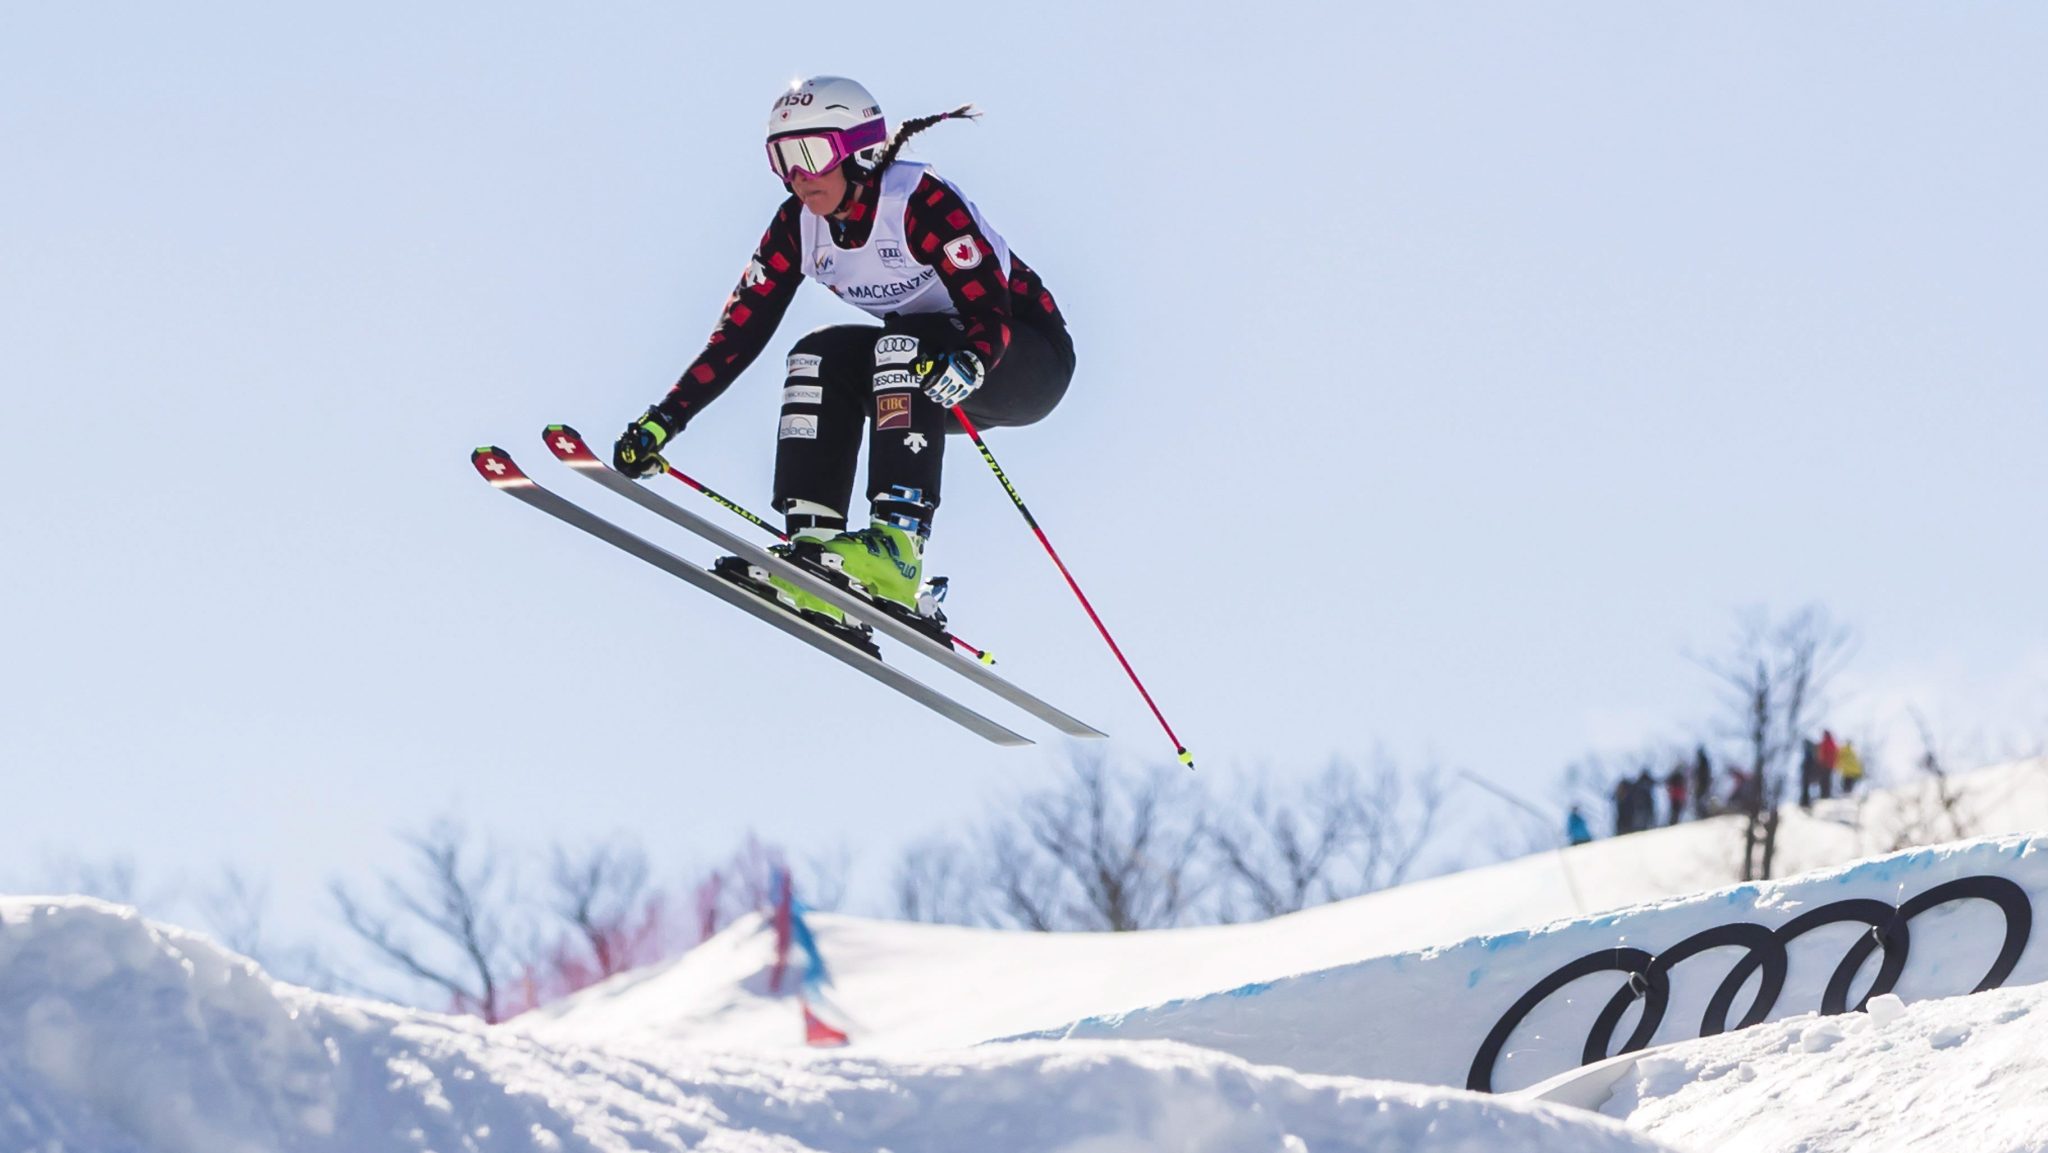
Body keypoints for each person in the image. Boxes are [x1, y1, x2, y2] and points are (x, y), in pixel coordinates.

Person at [612, 76, 1075, 630]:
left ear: (859, 151)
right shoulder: (798, 228)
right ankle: (816, 550)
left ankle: (896, 551)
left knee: (904, 343)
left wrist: (971, 358)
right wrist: (665, 420)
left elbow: (990, 309)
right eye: (782, 159)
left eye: (811, 154)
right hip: (917, 373)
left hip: (1021, 361)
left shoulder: (916, 201)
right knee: (817, 355)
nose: (798, 177)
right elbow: (737, 335)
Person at [1691, 745, 1713, 819]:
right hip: (1702, 783)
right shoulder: (1702, 761)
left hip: (1702, 783)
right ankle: (1701, 815)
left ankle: (1702, 815)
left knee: (1701, 799)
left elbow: (1702, 774)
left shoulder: (1703, 761)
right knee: (1700, 799)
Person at [1817, 729, 1840, 800]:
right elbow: (1836, 754)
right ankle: (1826, 794)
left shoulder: (1825, 743)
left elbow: (1822, 754)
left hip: (1825, 764)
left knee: (1824, 780)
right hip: (1830, 765)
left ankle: (1824, 795)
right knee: (1827, 779)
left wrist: (1821, 761)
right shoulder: (1832, 742)